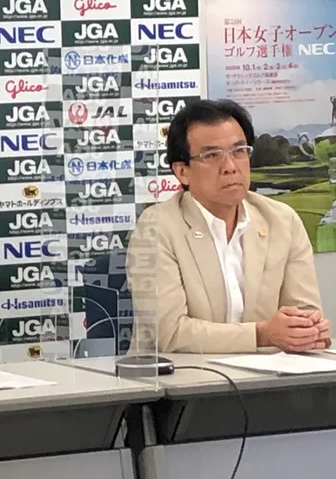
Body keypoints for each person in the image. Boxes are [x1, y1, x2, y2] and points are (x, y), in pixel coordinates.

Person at [126, 99, 331, 354]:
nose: (230, 167)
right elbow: (170, 334)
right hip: (182, 375)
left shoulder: (282, 220)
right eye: (212, 155)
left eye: (239, 151)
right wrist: (261, 334)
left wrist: (306, 330)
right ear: (182, 171)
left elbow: (304, 311)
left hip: (267, 374)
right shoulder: (156, 228)